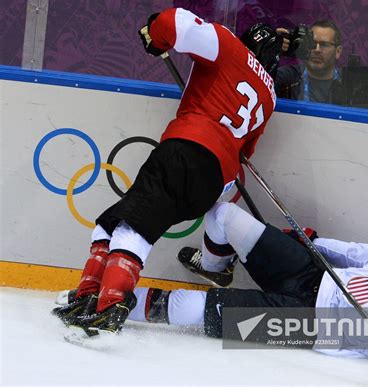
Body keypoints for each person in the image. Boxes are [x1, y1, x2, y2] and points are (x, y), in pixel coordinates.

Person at [52, 8, 283, 335]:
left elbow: (174, 24)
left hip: (186, 150)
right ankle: (88, 297)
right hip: (214, 181)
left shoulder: (231, 46)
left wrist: (154, 36)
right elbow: (245, 151)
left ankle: (110, 305)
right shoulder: (270, 96)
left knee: (134, 225)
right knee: (112, 222)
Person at [56, 202, 368, 378]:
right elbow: (357, 253)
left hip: (301, 325)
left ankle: (110, 303)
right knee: (225, 216)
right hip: (310, 274)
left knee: (195, 310)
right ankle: (216, 267)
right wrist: (311, 242)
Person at [275, 20, 345, 104]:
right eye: (312, 43)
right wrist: (268, 55)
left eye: (324, 44)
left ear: (338, 52)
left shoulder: (350, 84)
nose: (317, 49)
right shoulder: (287, 77)